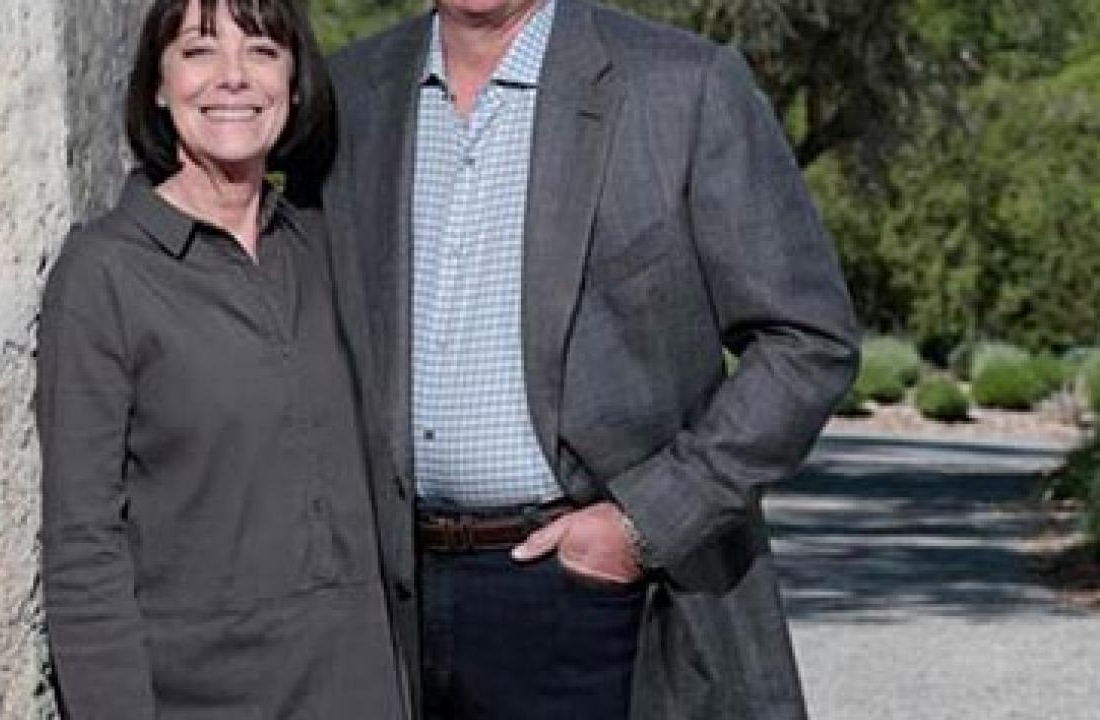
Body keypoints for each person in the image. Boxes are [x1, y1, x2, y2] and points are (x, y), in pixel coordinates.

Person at [315, 0, 861, 717]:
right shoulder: (346, 94)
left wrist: (643, 525)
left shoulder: (681, 87)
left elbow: (807, 340)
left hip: (592, 594)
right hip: (386, 602)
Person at [35, 1, 405, 718]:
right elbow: (83, 544)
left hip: (362, 690)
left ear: (294, 84)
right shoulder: (103, 274)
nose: (233, 77)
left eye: (263, 51)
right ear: (158, 84)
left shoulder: (326, 248)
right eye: (199, 52)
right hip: (201, 699)